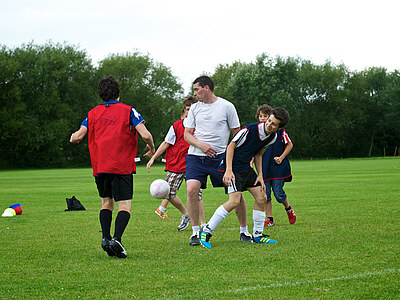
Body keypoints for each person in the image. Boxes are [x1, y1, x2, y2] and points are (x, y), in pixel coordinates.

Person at [70, 76, 155, 258]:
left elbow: (77, 137)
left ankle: (106, 238)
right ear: (118, 92)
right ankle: (116, 239)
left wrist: (73, 136)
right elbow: (145, 134)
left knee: (106, 203)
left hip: (100, 167)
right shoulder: (128, 111)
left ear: (101, 94)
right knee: (124, 205)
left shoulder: (92, 114)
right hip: (122, 166)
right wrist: (151, 146)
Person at [200, 107, 290, 249]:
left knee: (262, 197)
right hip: (232, 166)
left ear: (278, 128)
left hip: (246, 168)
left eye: (273, 124)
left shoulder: (273, 137)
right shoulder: (249, 130)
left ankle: (258, 235)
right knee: (234, 201)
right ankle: (206, 231)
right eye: (269, 120)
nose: (269, 124)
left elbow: (259, 155)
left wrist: (260, 174)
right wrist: (229, 171)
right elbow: (231, 146)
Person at [184, 76, 251, 246]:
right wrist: (202, 145)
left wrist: (244, 158)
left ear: (207, 88)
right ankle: (195, 232)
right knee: (192, 190)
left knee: (236, 195)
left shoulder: (227, 106)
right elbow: (187, 135)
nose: (194, 93)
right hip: (196, 156)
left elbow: (237, 135)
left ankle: (244, 231)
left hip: (221, 157)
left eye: (196, 89)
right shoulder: (194, 109)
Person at [146, 98, 204, 231]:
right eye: (188, 110)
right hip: (177, 165)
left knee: (197, 196)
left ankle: (203, 224)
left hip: (194, 164)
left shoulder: (202, 126)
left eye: (193, 109)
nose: (190, 112)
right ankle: (186, 214)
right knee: (168, 193)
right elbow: (166, 143)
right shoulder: (176, 126)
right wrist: (153, 158)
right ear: (185, 110)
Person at [260, 112, 296, 227]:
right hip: (264, 167)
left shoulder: (281, 132)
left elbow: (289, 144)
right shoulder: (259, 133)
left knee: (278, 194)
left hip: (277, 168)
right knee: (266, 195)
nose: (263, 119)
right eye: (260, 116)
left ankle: (288, 208)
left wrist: (281, 157)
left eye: (265, 116)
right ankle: (270, 219)